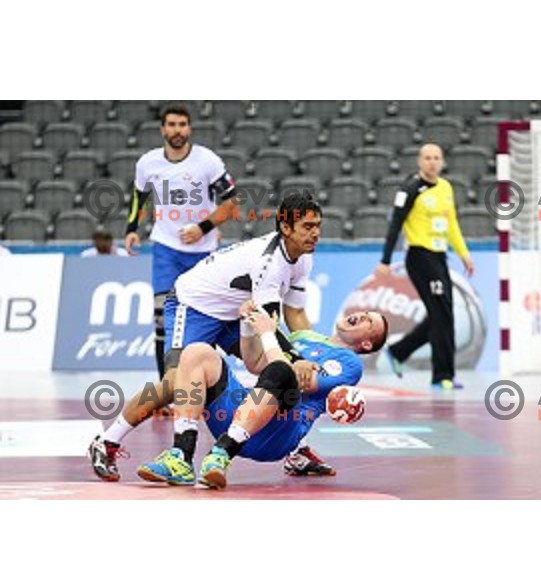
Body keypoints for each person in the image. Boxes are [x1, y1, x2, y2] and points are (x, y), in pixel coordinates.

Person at [88, 192, 331, 480]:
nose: (315, 233)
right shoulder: (270, 262)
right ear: (286, 228)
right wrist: (296, 358)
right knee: (173, 383)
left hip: (234, 312)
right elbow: (268, 324)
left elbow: (296, 317)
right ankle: (108, 442)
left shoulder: (302, 257)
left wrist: (316, 354)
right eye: (307, 227)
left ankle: (294, 448)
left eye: (317, 225)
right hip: (193, 305)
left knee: (277, 371)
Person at [137, 307, 388, 487]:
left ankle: (221, 454)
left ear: (366, 344)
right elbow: (255, 363)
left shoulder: (350, 363)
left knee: (282, 371)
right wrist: (248, 326)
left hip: (276, 434)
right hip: (243, 414)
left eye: (369, 321)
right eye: (366, 312)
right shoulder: (303, 338)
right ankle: (181, 456)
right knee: (196, 353)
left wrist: (268, 334)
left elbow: (297, 379)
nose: (362, 315)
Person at [124, 103, 239, 379]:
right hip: (167, 250)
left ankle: (211, 382)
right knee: (163, 320)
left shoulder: (207, 161)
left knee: (212, 320)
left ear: (190, 128)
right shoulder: (148, 163)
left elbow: (232, 201)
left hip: (204, 252)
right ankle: (168, 387)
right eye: (172, 125)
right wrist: (132, 228)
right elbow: (140, 197)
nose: (178, 130)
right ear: (163, 129)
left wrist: (203, 227)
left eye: (182, 125)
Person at [375, 143, 475, 390]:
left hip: (439, 257)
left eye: (436, 158)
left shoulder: (446, 188)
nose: (432, 162)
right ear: (420, 161)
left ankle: (399, 351)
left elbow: (451, 225)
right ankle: (442, 375)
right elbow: (395, 225)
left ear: (442, 162)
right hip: (420, 257)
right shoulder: (410, 189)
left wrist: (464, 254)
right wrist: (385, 261)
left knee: (441, 314)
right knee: (443, 315)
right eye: (427, 158)